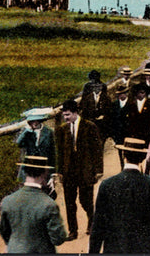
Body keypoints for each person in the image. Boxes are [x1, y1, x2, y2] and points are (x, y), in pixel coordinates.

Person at [88, 137, 150, 253]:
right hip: (143, 248)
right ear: (142, 159)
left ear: (123, 155)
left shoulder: (107, 185)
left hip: (114, 248)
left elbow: (98, 226)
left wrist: (93, 252)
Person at [54, 99, 103, 240]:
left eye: (68, 115)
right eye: (64, 115)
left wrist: (98, 169)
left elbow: (97, 149)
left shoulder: (89, 126)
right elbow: (59, 152)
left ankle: (91, 221)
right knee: (69, 202)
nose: (66, 117)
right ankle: (73, 231)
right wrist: (59, 171)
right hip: (69, 172)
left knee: (85, 200)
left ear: (76, 113)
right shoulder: (62, 130)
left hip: (85, 170)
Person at [0, 156, 68, 253]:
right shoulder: (49, 205)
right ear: (45, 173)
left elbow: (4, 231)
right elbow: (58, 238)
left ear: (25, 172)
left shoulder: (7, 201)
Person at [16, 108, 56, 184]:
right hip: (28, 168)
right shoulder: (26, 132)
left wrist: (52, 173)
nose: (34, 123)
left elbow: (52, 153)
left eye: (36, 121)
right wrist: (26, 131)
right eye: (31, 121)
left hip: (43, 168)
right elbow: (19, 143)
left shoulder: (48, 132)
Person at [80, 71, 112, 140]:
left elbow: (105, 101)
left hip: (100, 118)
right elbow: (83, 101)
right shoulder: (88, 86)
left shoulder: (102, 86)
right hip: (90, 115)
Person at [109, 85, 131, 167]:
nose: (121, 96)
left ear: (126, 94)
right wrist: (113, 134)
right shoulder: (114, 104)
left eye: (122, 94)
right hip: (118, 132)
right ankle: (122, 166)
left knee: (129, 151)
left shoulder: (132, 104)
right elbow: (111, 120)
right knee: (120, 151)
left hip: (129, 132)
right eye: (119, 94)